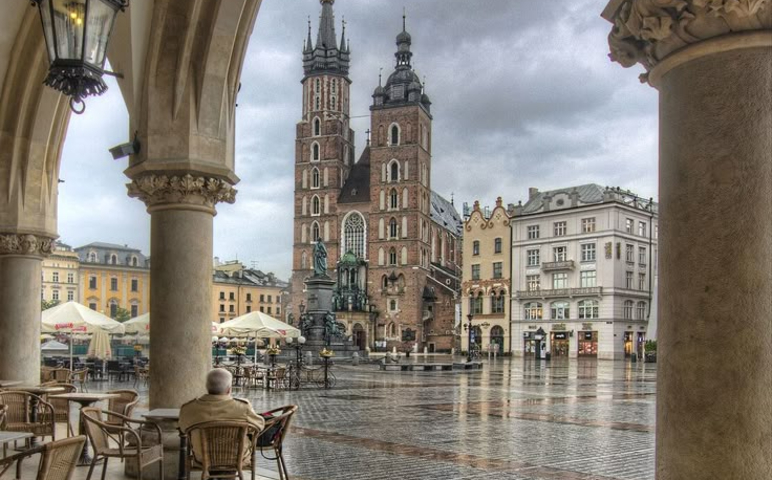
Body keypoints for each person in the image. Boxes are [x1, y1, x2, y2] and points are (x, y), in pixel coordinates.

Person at [179, 369, 265, 461]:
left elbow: (183, 429)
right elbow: (259, 426)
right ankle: (230, 472)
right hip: (237, 458)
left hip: (203, 458)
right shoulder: (243, 407)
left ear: (207, 387)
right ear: (229, 389)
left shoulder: (189, 408)